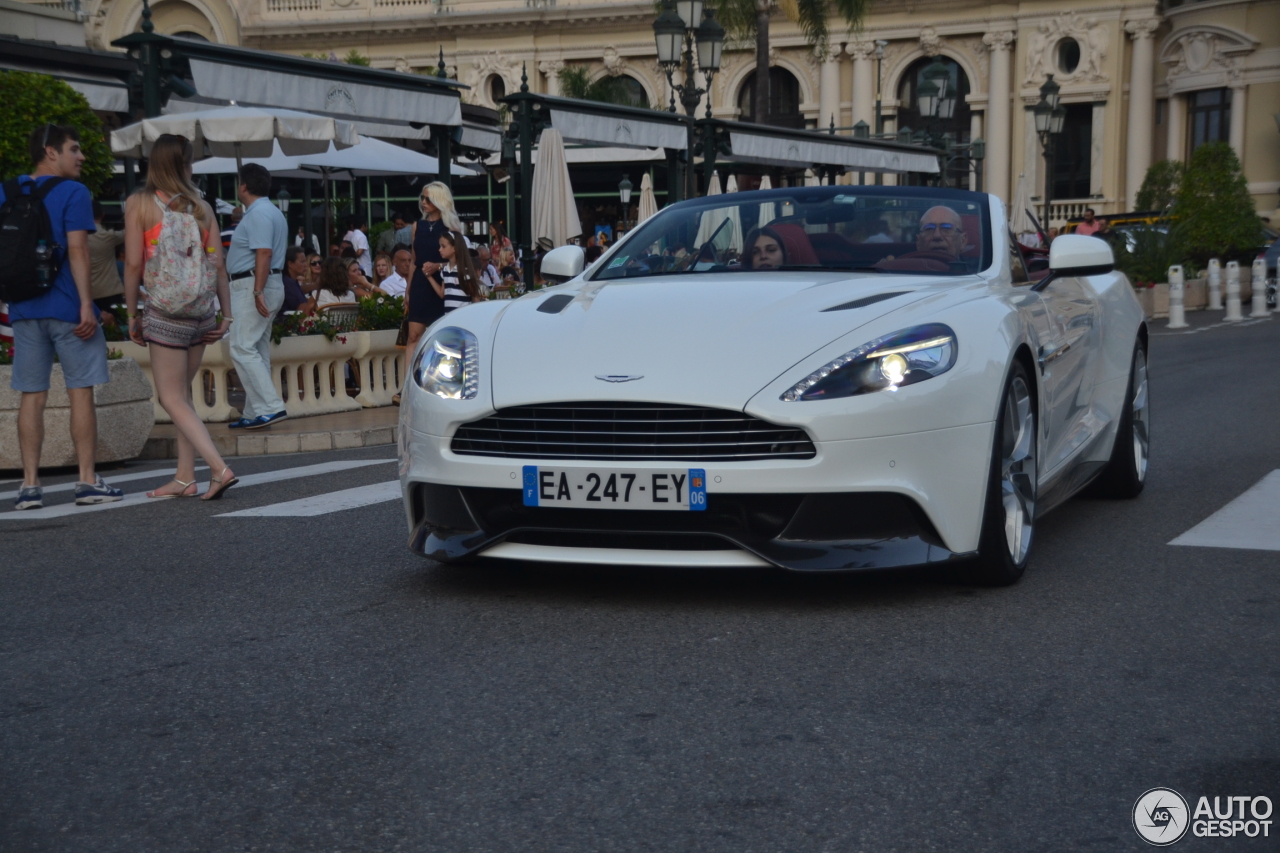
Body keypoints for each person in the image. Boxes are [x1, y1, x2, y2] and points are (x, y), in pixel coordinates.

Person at [5, 124, 123, 509]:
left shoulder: (5, 191)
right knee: (80, 392)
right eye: (74, 149)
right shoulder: (74, 192)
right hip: (69, 309)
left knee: (32, 396)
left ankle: (29, 486)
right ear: (49, 151)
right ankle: (87, 481)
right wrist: (87, 304)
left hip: (22, 307)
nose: (81, 156)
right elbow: (78, 251)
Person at [123, 133, 238, 501]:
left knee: (170, 397)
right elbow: (218, 265)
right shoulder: (200, 207)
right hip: (201, 312)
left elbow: (133, 263)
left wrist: (130, 313)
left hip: (165, 311)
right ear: (184, 164)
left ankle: (218, 469)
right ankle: (185, 476)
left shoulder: (140, 204)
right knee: (183, 394)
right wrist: (227, 317)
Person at [225, 162, 289, 431]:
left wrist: (257, 291)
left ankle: (270, 407)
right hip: (265, 281)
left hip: (254, 282)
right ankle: (254, 411)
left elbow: (263, 253)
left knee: (241, 347)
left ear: (243, 187)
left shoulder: (259, 214)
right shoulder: (270, 212)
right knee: (257, 350)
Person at [406, 181, 461, 351]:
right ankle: (408, 376)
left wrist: (438, 266)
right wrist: (408, 290)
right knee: (413, 335)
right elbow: (414, 261)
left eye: (428, 199)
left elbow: (460, 259)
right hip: (420, 282)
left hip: (443, 281)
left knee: (443, 334)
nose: (424, 202)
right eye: (423, 198)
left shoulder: (451, 227)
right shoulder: (417, 226)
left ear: (439, 201)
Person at [428, 229, 483, 313]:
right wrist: (429, 276)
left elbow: (474, 295)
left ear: (454, 248)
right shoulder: (445, 270)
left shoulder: (465, 270)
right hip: (449, 315)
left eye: (443, 246)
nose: (440, 249)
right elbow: (442, 294)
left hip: (463, 315)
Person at [88, 199, 124, 312]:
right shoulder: (109, 236)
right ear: (103, 215)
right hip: (110, 291)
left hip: (84, 293)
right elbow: (130, 232)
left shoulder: (71, 238)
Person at [278, 245, 310, 318]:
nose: (306, 265)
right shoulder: (288, 283)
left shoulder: (291, 281)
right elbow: (302, 309)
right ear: (290, 264)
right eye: (302, 262)